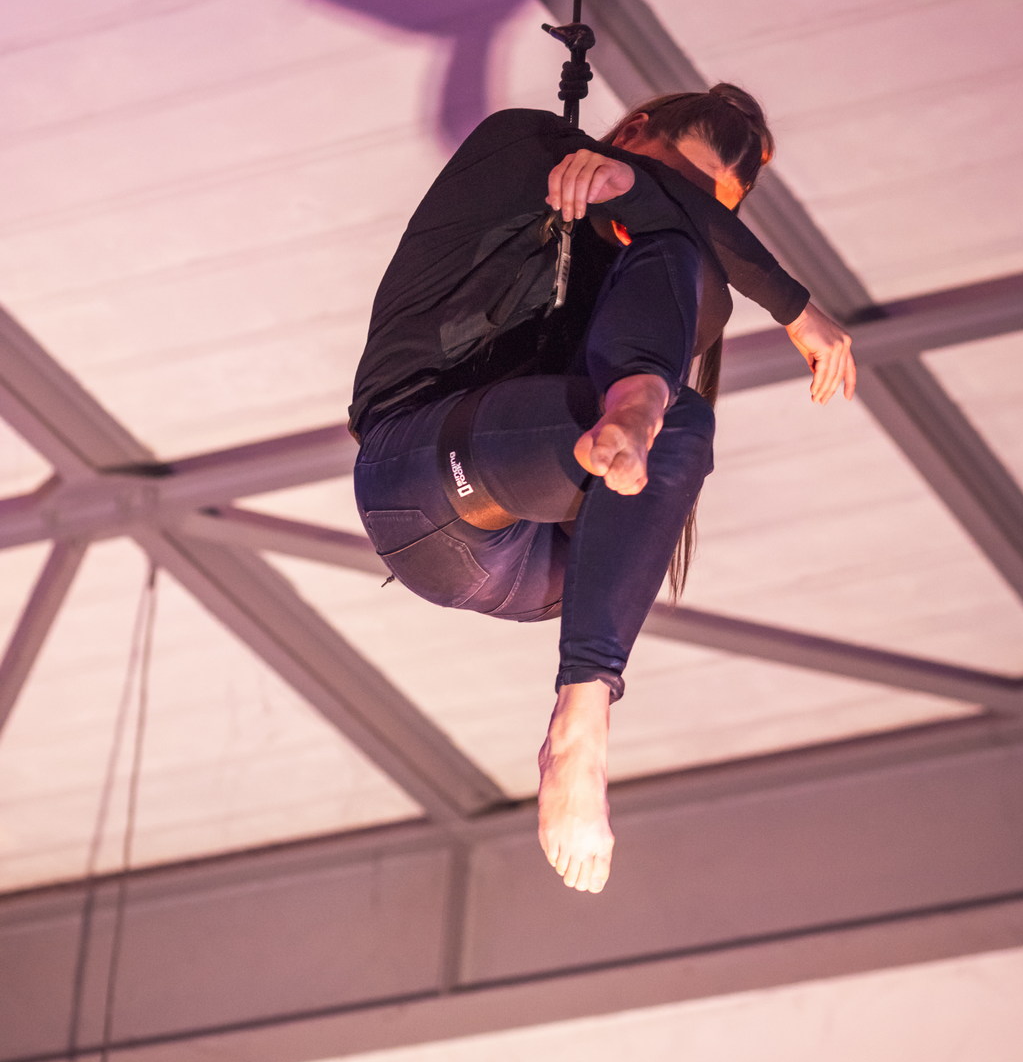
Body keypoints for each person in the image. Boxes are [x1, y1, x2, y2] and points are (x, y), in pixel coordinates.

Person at [349, 84, 856, 895]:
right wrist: (797, 310)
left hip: (549, 574)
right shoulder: (525, 150)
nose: (671, 201)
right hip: (425, 474)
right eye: (671, 176)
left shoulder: (684, 286)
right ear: (631, 131)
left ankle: (581, 714)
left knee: (680, 363)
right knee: (674, 404)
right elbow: (647, 199)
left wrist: (658, 203)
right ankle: (635, 410)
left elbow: (673, 225)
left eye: (708, 206)